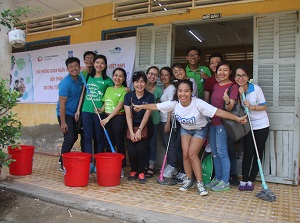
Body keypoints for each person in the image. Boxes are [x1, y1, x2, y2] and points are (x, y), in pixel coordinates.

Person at [133, 79, 247, 196]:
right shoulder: (174, 103)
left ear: (191, 92)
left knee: (192, 154)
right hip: (185, 129)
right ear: (177, 92)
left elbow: (218, 112)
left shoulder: (198, 103)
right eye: (180, 91)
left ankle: (200, 183)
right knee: (185, 154)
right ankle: (189, 180)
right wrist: (141, 107)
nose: (183, 94)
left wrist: (237, 118)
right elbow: (156, 106)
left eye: (186, 91)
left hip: (200, 129)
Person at [234, 64, 270, 191]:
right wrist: (239, 95)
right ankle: (244, 179)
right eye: (238, 75)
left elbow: (264, 106)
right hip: (248, 126)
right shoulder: (236, 90)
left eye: (243, 75)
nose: (241, 78)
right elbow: (237, 109)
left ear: (248, 77)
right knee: (247, 152)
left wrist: (251, 106)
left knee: (257, 152)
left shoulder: (256, 89)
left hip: (261, 125)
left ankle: (251, 179)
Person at [76, 54, 114, 173]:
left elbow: (111, 96)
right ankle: (88, 164)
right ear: (94, 63)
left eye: (102, 63)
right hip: (85, 111)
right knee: (87, 138)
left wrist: (102, 108)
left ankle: (98, 163)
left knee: (99, 138)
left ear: (105, 66)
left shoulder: (108, 81)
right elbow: (83, 93)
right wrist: (78, 109)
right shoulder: (87, 76)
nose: (99, 65)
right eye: (97, 62)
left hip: (99, 113)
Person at [206, 60, 238, 192]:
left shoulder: (233, 86)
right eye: (220, 70)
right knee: (214, 153)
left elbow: (230, 107)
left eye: (225, 70)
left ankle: (225, 181)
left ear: (230, 72)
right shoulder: (216, 86)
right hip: (212, 123)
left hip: (222, 124)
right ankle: (218, 179)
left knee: (222, 153)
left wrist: (227, 101)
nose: (222, 72)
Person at [124, 71, 154, 184]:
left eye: (142, 82)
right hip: (131, 126)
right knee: (131, 151)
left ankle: (141, 171)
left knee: (141, 149)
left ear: (145, 83)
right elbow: (128, 115)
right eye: (137, 82)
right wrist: (132, 132)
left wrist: (140, 131)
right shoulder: (128, 96)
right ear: (133, 83)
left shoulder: (150, 97)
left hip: (145, 127)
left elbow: (147, 115)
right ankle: (133, 170)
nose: (139, 84)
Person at [56, 57, 83, 171]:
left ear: (79, 67)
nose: (74, 68)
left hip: (75, 113)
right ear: (67, 69)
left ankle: (61, 159)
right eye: (71, 67)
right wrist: (63, 122)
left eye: (76, 66)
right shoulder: (65, 83)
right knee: (70, 136)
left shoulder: (81, 79)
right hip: (65, 113)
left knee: (74, 136)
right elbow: (62, 105)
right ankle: (63, 164)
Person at [100, 68, 128, 177]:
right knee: (108, 143)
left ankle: (120, 168)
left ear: (124, 78)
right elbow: (106, 103)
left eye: (121, 76)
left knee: (119, 143)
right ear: (112, 76)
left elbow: (119, 106)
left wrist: (108, 119)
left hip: (118, 118)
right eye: (116, 75)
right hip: (107, 117)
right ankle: (110, 165)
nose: (118, 78)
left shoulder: (124, 90)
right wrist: (101, 110)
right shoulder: (108, 89)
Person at [158, 67, 177, 178]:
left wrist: (168, 123)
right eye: (162, 75)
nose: (163, 77)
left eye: (166, 75)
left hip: (167, 120)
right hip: (162, 119)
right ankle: (170, 165)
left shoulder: (171, 88)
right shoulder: (163, 88)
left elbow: (171, 106)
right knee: (166, 144)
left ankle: (173, 166)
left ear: (170, 76)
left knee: (170, 145)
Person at [145, 66, 163, 178]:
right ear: (146, 74)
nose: (152, 76)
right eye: (150, 73)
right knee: (142, 143)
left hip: (154, 119)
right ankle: (143, 164)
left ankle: (151, 166)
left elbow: (161, 105)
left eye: (155, 75)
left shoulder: (158, 90)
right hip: (140, 119)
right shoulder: (140, 85)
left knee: (152, 142)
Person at [79, 51, 97, 152]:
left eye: (92, 58)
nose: (89, 60)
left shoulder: (98, 73)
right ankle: (86, 158)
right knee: (85, 135)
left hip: (96, 109)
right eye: (87, 58)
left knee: (97, 136)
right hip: (84, 108)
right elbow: (81, 92)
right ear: (84, 60)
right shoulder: (82, 74)